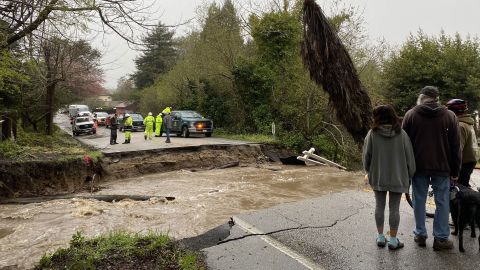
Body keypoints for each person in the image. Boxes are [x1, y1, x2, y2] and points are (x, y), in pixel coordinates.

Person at [402, 86, 461, 251]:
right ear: (437, 98)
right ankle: (441, 238)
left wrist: (405, 168)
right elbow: (456, 147)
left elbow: (403, 145)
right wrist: (456, 171)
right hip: (442, 167)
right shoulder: (449, 116)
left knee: (419, 200)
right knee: (442, 202)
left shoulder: (411, 115)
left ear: (422, 97)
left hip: (418, 167)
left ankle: (420, 234)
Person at [363, 105, 416, 250]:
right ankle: (393, 240)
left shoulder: (372, 134)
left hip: (378, 176)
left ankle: (380, 237)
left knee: (379, 206)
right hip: (398, 177)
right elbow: (410, 158)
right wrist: (410, 174)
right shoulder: (402, 134)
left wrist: (369, 170)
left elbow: (366, 156)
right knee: (395, 208)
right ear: (393, 116)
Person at [446, 99, 479, 187]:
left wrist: (453, 169)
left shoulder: (460, 125)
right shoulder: (468, 123)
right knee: (463, 186)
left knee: (459, 191)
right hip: (470, 160)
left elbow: (458, 149)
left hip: (463, 162)